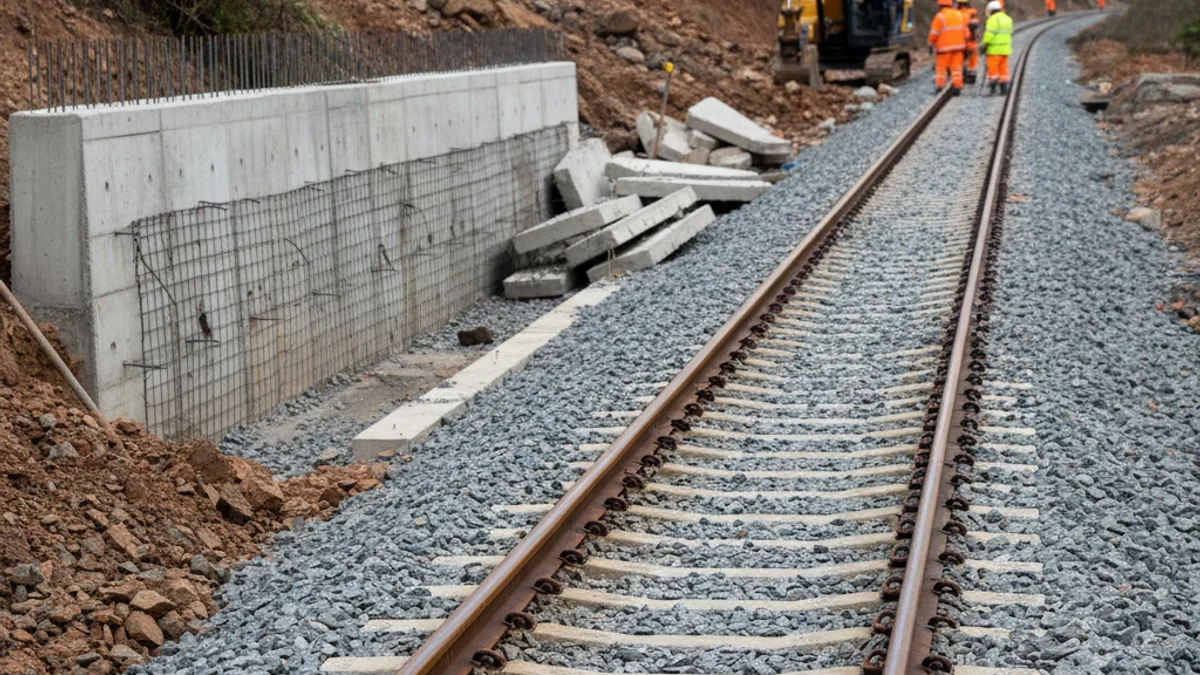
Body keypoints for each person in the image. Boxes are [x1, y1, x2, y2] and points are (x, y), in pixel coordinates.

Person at [928, 0, 968, 94]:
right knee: (956, 69)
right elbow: (966, 32)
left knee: (941, 69)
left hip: (944, 48)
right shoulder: (959, 15)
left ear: (939, 5)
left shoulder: (940, 16)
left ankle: (940, 87)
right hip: (958, 47)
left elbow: (934, 32)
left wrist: (930, 43)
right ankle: (957, 87)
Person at [982, 0, 1013, 94]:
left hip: (994, 49)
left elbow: (989, 34)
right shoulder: (1008, 18)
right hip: (1005, 49)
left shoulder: (993, 19)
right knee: (1003, 69)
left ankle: (992, 88)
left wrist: (984, 44)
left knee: (993, 70)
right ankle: (1004, 89)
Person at [957, 0, 981, 79]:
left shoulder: (955, 13)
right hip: (971, 39)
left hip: (959, 40)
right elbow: (976, 25)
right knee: (973, 54)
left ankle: (961, 70)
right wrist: (977, 36)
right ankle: (971, 71)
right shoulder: (972, 12)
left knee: (960, 56)